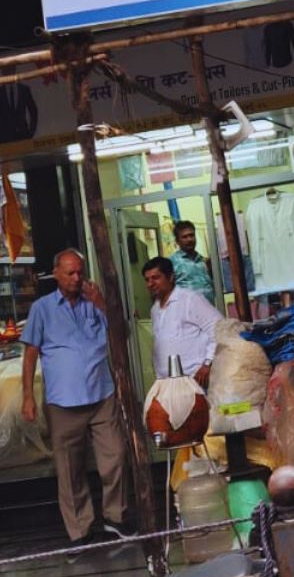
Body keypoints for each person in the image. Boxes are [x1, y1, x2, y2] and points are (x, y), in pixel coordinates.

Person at [20, 249, 131, 545]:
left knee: (116, 455)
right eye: (70, 272)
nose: (76, 278)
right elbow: (30, 354)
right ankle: (80, 530)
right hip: (63, 401)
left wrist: (102, 304)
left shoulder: (94, 302)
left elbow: (122, 335)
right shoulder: (42, 309)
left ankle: (115, 517)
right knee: (69, 469)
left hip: (101, 393)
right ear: (56, 274)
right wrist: (27, 396)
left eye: (80, 272)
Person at [143, 256, 220, 386]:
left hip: (196, 381)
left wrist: (208, 363)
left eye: (156, 278)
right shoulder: (155, 309)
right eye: (147, 280)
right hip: (168, 384)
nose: (150, 284)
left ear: (171, 277)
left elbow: (219, 328)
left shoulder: (189, 299)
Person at [170, 220, 216, 306]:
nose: (189, 239)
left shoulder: (204, 261)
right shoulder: (171, 262)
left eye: (191, 235)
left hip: (209, 310)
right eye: (184, 237)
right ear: (177, 241)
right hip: (186, 311)